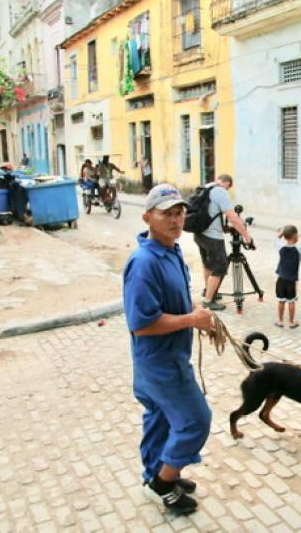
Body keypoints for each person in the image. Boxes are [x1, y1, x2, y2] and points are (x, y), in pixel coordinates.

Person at [123, 183, 214, 516]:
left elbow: (172, 301)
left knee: (160, 419)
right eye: (167, 214)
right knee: (195, 421)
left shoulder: (171, 249)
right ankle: (164, 482)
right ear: (148, 217)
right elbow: (142, 324)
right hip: (160, 363)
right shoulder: (144, 262)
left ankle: (156, 474)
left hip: (167, 358)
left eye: (180, 213)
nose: (176, 220)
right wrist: (192, 319)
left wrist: (194, 310)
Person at [193, 174, 252, 311]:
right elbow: (232, 217)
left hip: (199, 233)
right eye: (228, 187)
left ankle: (208, 290)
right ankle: (209, 300)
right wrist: (246, 236)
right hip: (212, 237)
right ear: (226, 183)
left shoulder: (205, 187)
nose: (227, 190)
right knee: (220, 267)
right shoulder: (220, 191)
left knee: (208, 264)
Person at [274, 225, 301, 329]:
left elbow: (276, 239)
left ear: (284, 236)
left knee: (281, 301)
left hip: (280, 279)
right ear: (295, 236)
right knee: (291, 301)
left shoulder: (281, 247)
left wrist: (281, 233)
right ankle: (292, 322)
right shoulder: (299, 250)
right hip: (291, 281)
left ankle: (280, 321)